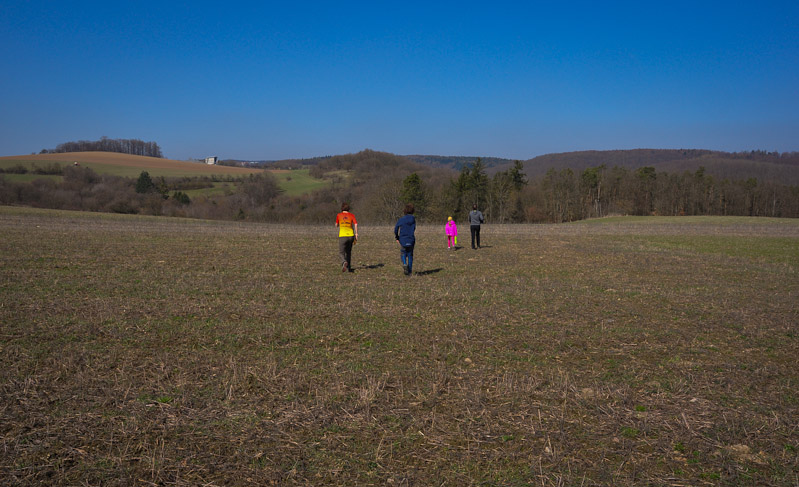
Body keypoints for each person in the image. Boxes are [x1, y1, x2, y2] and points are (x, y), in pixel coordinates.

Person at [394, 203, 416, 275]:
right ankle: (409, 271)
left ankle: (404, 263)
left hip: (403, 239)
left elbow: (396, 229)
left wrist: (397, 237)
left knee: (403, 253)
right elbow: (414, 228)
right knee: (410, 255)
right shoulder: (413, 219)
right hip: (411, 239)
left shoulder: (401, 219)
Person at [335, 202, 358, 272]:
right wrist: (356, 233)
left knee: (341, 252)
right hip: (351, 235)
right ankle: (349, 268)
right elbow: (356, 224)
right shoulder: (351, 215)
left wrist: (338, 224)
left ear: (342, 208)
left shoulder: (339, 215)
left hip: (343, 236)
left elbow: (336, 225)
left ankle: (344, 262)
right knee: (348, 252)